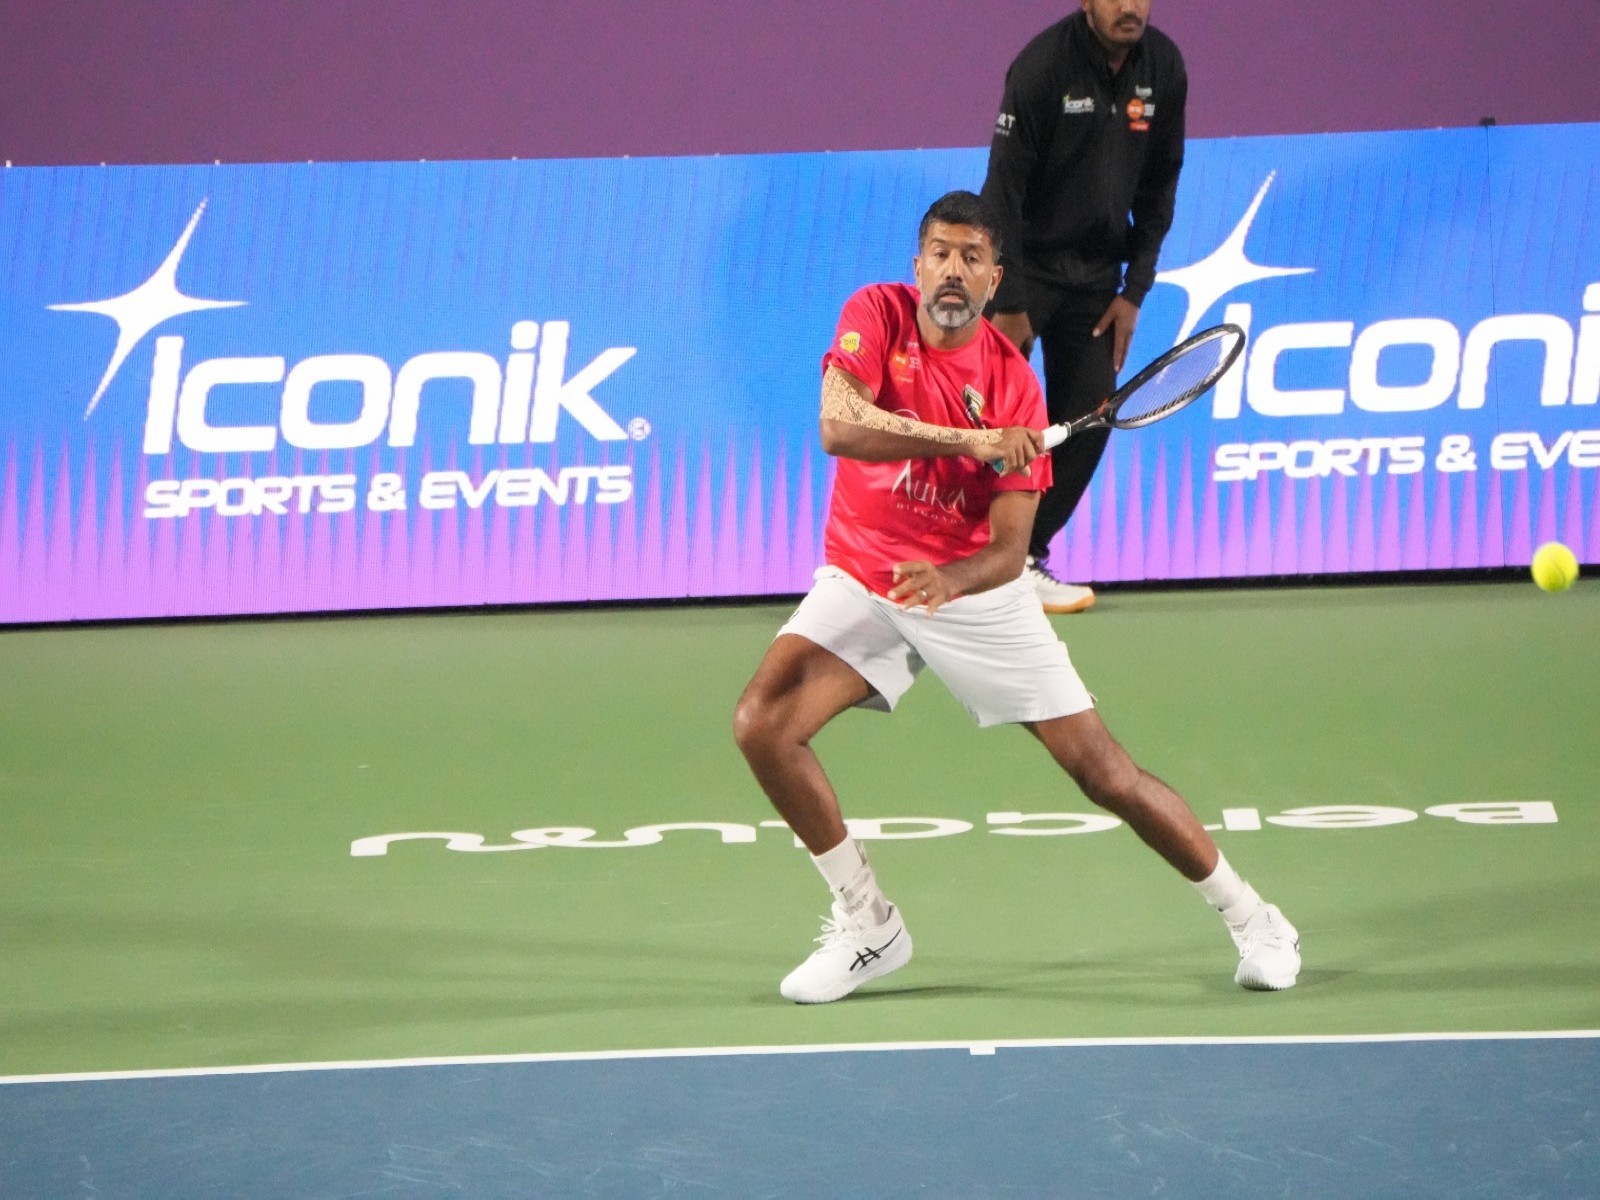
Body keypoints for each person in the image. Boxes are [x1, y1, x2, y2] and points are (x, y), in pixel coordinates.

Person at [731, 191, 1299, 1005]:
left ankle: (1254, 918)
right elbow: (839, 426)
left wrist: (950, 580)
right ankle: (869, 925)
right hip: (864, 572)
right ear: (917, 264)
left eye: (972, 258)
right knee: (764, 722)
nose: (952, 270)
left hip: (970, 594)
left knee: (1104, 773)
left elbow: (1007, 553)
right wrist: (971, 442)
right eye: (940, 252)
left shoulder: (1014, 389)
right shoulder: (876, 314)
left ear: (995, 280)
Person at [980, 0, 1187, 614]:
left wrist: (1134, 290)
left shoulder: (1164, 67)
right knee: (983, 419)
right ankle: (949, 552)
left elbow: (1161, 185)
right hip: (1025, 269)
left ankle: (1022, 559)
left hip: (1097, 280)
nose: (1130, 6)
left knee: (1092, 415)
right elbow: (1002, 189)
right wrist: (1009, 297)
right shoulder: (1042, 66)